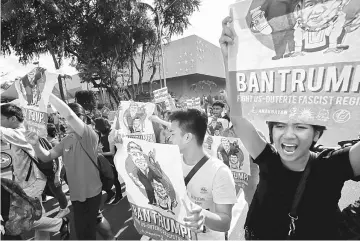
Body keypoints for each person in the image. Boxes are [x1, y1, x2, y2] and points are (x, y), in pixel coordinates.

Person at [219, 15, 360, 239]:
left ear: (317, 134)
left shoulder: (330, 166)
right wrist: (229, 60)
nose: (288, 135)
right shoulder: (268, 159)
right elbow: (237, 117)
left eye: (300, 127)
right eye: (280, 126)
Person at [25, 94, 104, 240]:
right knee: (84, 230)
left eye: (66, 120)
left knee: (86, 233)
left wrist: (47, 93)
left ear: (84, 120)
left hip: (91, 194)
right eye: (62, 120)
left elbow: (70, 116)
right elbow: (46, 156)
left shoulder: (89, 135)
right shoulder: (67, 140)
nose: (65, 123)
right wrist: (35, 144)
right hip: (76, 195)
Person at [151, 109, 237, 240]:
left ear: (187, 137)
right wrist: (120, 142)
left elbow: (225, 222)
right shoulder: (170, 162)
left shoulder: (219, 172)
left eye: (172, 133)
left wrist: (203, 216)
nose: (168, 137)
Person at [0, 103, 70, 240]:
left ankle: (60, 223)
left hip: (32, 181)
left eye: (1, 118)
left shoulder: (22, 133)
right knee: (38, 214)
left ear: (13, 118)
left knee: (21, 219)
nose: (0, 122)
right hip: (28, 181)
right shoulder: (22, 131)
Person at [95, 117, 123, 205]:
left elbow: (112, 152)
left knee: (114, 178)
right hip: (103, 159)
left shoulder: (111, 134)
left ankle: (119, 195)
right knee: (102, 178)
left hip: (111, 160)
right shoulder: (99, 134)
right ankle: (110, 193)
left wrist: (99, 154)